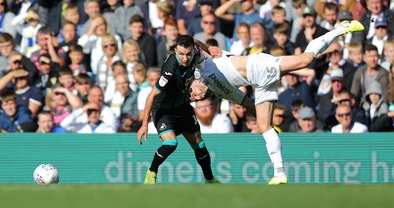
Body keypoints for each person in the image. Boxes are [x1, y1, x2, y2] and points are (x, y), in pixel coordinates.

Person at [189, 20, 365, 184]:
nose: (196, 96)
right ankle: (280, 174)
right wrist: (269, 130)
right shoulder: (222, 92)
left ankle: (341, 29)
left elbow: (190, 41)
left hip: (258, 66)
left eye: (192, 93)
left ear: (193, 83)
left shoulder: (202, 66)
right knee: (263, 127)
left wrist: (207, 47)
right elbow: (248, 105)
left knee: (305, 60)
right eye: (194, 99)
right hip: (259, 83)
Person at [137, 35, 219, 185]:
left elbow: (195, 41)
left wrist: (208, 49)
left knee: (199, 145)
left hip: (183, 107)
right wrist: (144, 125)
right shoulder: (170, 68)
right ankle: (151, 172)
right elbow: (151, 96)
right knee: (171, 143)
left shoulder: (195, 52)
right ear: (175, 50)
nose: (185, 58)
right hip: (164, 110)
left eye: (188, 54)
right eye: (181, 54)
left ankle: (210, 180)